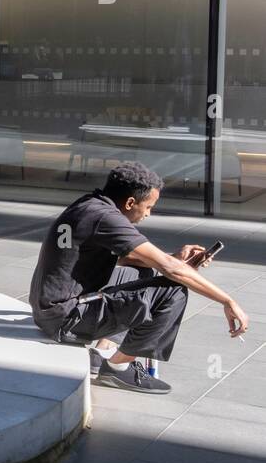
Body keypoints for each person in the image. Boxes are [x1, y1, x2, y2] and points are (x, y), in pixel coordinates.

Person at [29, 161, 249, 394]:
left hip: (53, 308)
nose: (148, 214)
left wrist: (174, 258)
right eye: (148, 207)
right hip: (65, 320)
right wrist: (228, 301)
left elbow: (135, 259)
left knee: (145, 273)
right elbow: (170, 270)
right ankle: (118, 367)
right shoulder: (105, 218)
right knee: (173, 290)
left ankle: (103, 351)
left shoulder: (91, 205)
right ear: (130, 202)